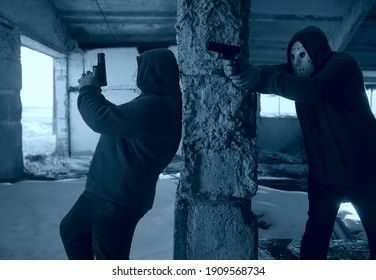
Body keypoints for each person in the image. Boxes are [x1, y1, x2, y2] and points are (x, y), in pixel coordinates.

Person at [223, 25, 376, 259]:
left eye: (303, 54)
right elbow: (271, 72)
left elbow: (315, 89)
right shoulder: (298, 73)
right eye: (293, 56)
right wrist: (242, 69)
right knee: (315, 235)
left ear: (317, 51)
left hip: (365, 171)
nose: (297, 62)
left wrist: (261, 78)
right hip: (324, 175)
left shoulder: (342, 65)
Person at [60, 49, 182, 260]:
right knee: (72, 231)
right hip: (103, 192)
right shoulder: (156, 101)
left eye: (140, 70)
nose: (136, 76)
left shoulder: (157, 106)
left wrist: (87, 90)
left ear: (153, 72)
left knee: (111, 260)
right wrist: (95, 93)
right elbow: (120, 120)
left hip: (117, 199)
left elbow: (101, 120)